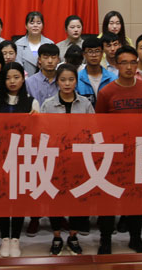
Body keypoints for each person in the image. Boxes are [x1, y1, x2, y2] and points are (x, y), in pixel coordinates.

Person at [95, 45, 142, 254]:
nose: (129, 67)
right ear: (116, 65)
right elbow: (98, 125)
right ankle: (105, 239)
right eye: (124, 63)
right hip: (113, 154)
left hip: (139, 153)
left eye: (133, 63)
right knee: (108, 199)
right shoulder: (106, 92)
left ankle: (135, 238)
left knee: (135, 198)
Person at [41, 64, 93, 255]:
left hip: (79, 159)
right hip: (56, 160)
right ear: (57, 82)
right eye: (63, 80)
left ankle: (73, 235)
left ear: (76, 82)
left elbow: (93, 130)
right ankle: (56, 236)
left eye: (71, 79)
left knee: (78, 198)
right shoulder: (48, 105)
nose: (67, 83)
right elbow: (43, 133)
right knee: (55, 198)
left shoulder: (85, 104)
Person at [0, 62, 38, 257]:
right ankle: (5, 237)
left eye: (16, 77)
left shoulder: (31, 102)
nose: (12, 81)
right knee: (2, 198)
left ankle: (16, 238)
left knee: (19, 199)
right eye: (8, 78)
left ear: (23, 79)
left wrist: (37, 120)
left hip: (22, 157)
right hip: (1, 157)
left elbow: (37, 133)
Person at [77, 36, 117, 106]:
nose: (94, 55)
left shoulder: (113, 78)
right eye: (90, 51)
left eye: (97, 51)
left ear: (102, 53)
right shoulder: (77, 79)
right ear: (84, 54)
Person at [15, 11, 52, 76]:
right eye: (32, 23)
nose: (35, 25)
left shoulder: (49, 44)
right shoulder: (18, 44)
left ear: (43, 25)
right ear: (26, 26)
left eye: (38, 23)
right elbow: (17, 67)